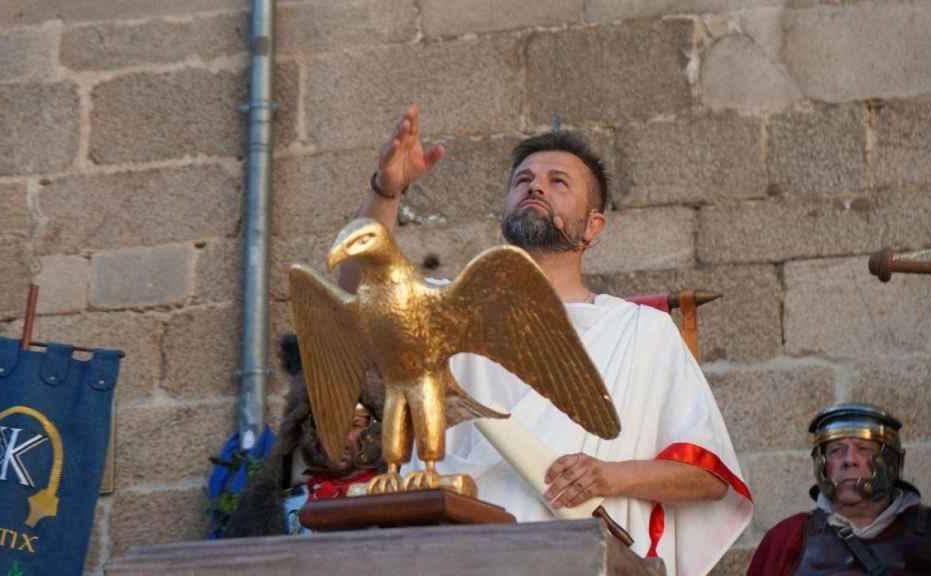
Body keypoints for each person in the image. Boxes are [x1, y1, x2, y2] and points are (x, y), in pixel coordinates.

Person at [338, 105, 753, 576]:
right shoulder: (444, 308)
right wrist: (386, 190)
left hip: (581, 558)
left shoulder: (642, 331)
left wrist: (607, 476)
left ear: (593, 226)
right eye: (523, 180)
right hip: (454, 555)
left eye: (559, 182)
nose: (535, 187)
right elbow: (360, 287)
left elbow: (707, 477)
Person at [747, 403, 931, 575]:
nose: (849, 460)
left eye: (864, 449)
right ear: (822, 464)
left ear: (890, 461)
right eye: (836, 451)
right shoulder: (787, 538)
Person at [223, 335, 384, 538]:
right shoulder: (269, 503)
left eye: (353, 425)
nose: (337, 438)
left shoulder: (397, 493)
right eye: (325, 425)